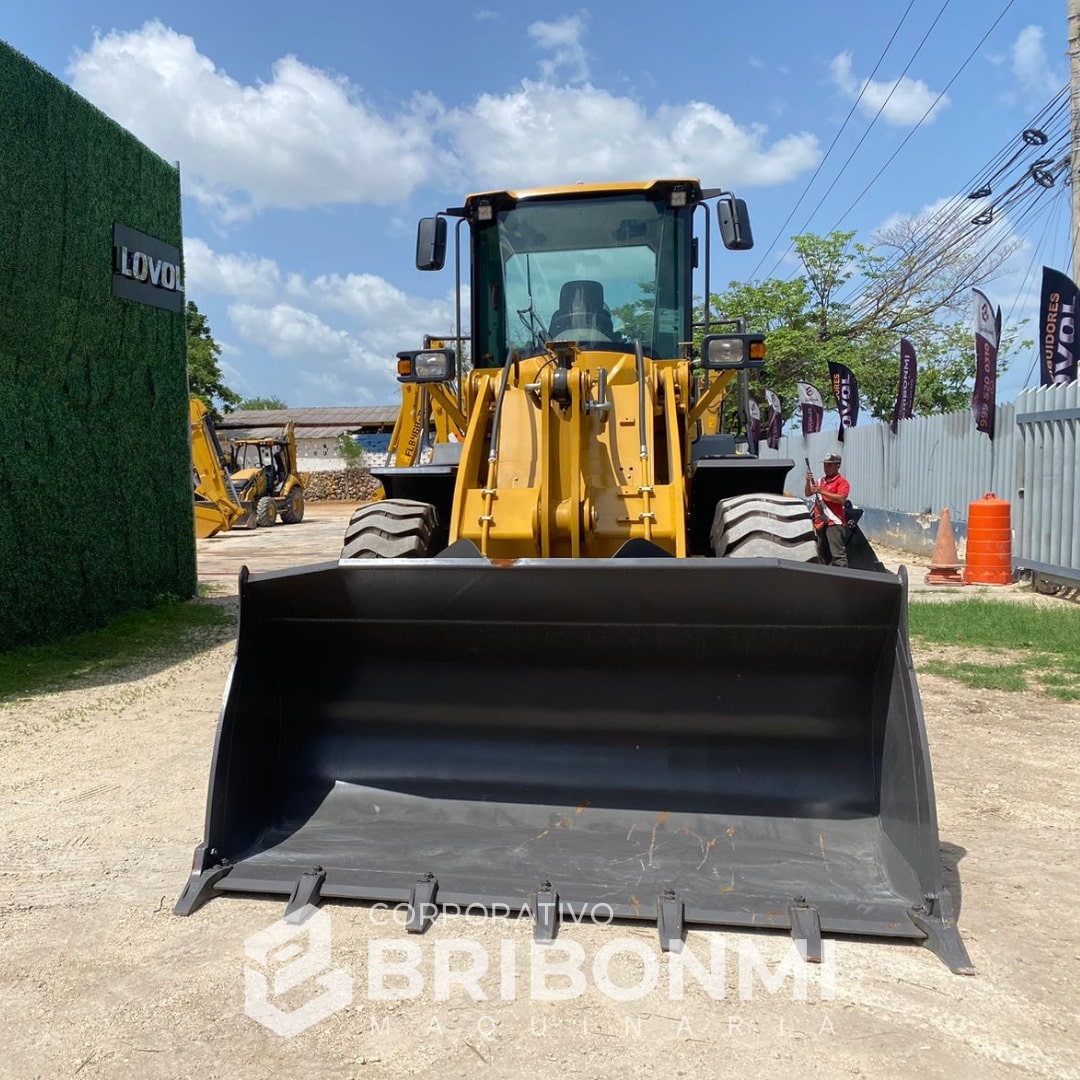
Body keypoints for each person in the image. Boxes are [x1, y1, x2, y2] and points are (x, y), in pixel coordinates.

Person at [805, 452, 851, 567]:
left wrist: (822, 491)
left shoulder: (842, 482)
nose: (826, 468)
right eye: (825, 465)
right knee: (822, 555)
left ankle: (842, 574)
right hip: (821, 523)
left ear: (837, 466)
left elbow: (841, 499)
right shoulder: (820, 481)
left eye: (829, 465)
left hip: (834, 522)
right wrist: (807, 481)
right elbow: (808, 493)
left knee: (837, 555)